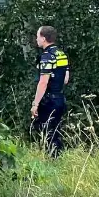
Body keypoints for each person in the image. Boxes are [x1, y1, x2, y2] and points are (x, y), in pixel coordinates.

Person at [31, 25, 70, 157]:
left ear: (43, 38)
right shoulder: (61, 54)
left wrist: (35, 104)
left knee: (46, 132)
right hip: (60, 98)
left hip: (49, 100)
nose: (36, 39)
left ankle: (51, 160)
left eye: (37, 36)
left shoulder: (47, 56)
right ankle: (58, 158)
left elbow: (43, 82)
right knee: (56, 131)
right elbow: (65, 79)